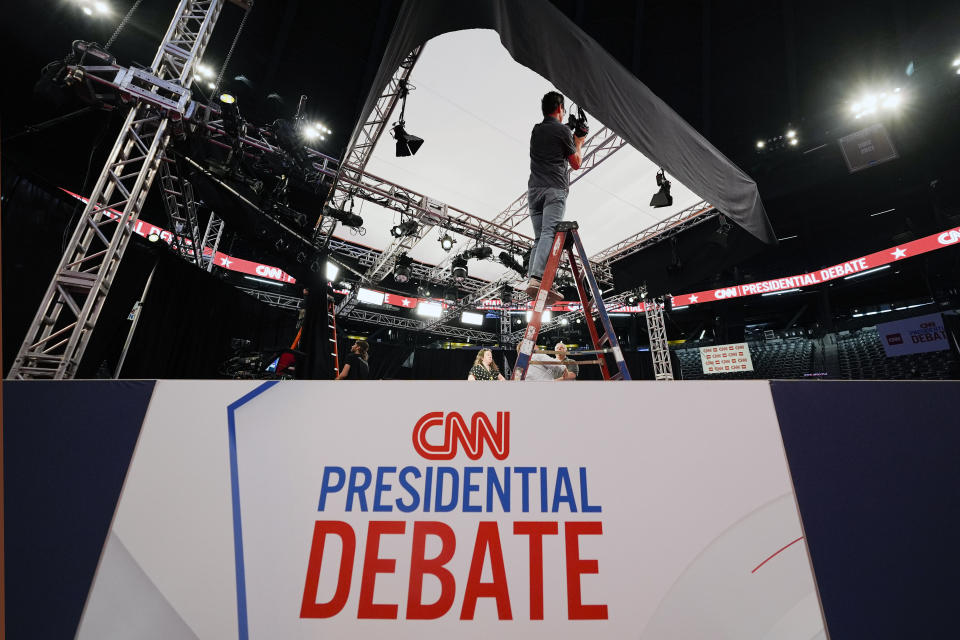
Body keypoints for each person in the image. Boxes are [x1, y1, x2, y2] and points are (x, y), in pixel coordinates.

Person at [525, 91, 585, 302]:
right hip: (554, 190)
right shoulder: (562, 132)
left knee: (540, 237)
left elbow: (555, 134)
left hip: (534, 192)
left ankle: (533, 278)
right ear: (560, 108)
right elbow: (576, 163)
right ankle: (537, 278)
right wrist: (578, 141)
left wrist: (568, 128)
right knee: (549, 234)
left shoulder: (536, 130)